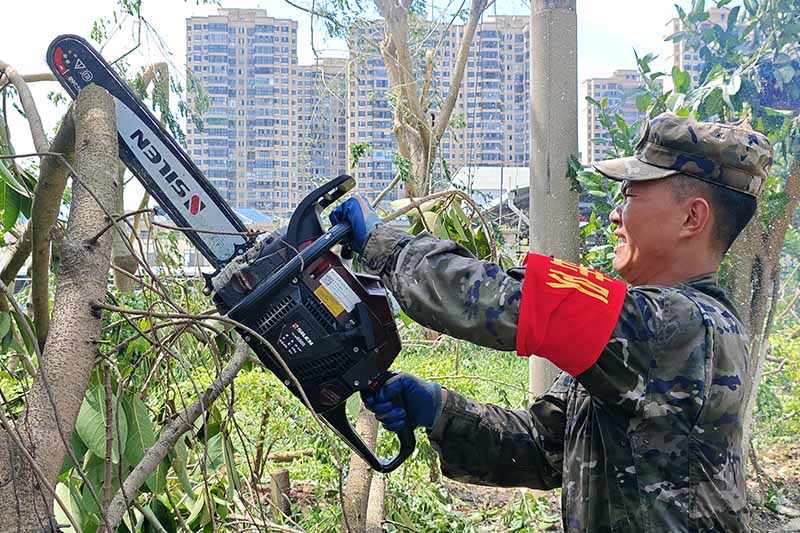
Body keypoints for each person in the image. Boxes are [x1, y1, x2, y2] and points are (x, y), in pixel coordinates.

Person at [330, 112, 773, 532]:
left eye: (632, 194)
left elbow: (507, 302)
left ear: (692, 217)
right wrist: (439, 409)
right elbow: (544, 448)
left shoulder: (679, 325)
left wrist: (385, 246)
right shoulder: (643, 330)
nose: (616, 214)